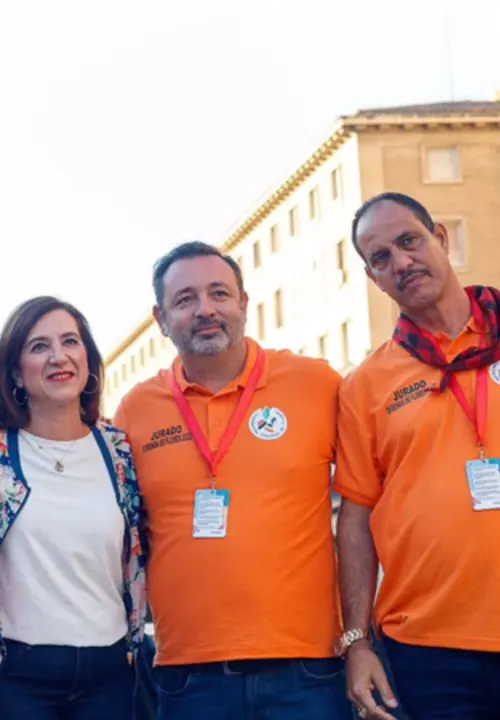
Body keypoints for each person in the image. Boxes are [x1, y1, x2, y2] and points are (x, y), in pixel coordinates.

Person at [337, 192, 500, 719]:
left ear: (439, 238)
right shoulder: (366, 384)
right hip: (426, 655)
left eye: (409, 241)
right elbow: (355, 518)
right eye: (381, 258)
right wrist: (357, 641)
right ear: (373, 278)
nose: (401, 262)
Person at [113, 241, 349, 719]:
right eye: (185, 299)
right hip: (188, 676)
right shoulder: (136, 410)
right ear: (161, 319)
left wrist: (362, 636)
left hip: (308, 668)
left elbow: (367, 505)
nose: (206, 309)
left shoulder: (317, 385)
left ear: (243, 302)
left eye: (219, 293)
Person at [0, 295, 147, 720]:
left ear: (87, 358)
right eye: (39, 346)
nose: (59, 356)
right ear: (15, 372)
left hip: (109, 675)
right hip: (18, 678)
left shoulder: (118, 449)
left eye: (70, 341)